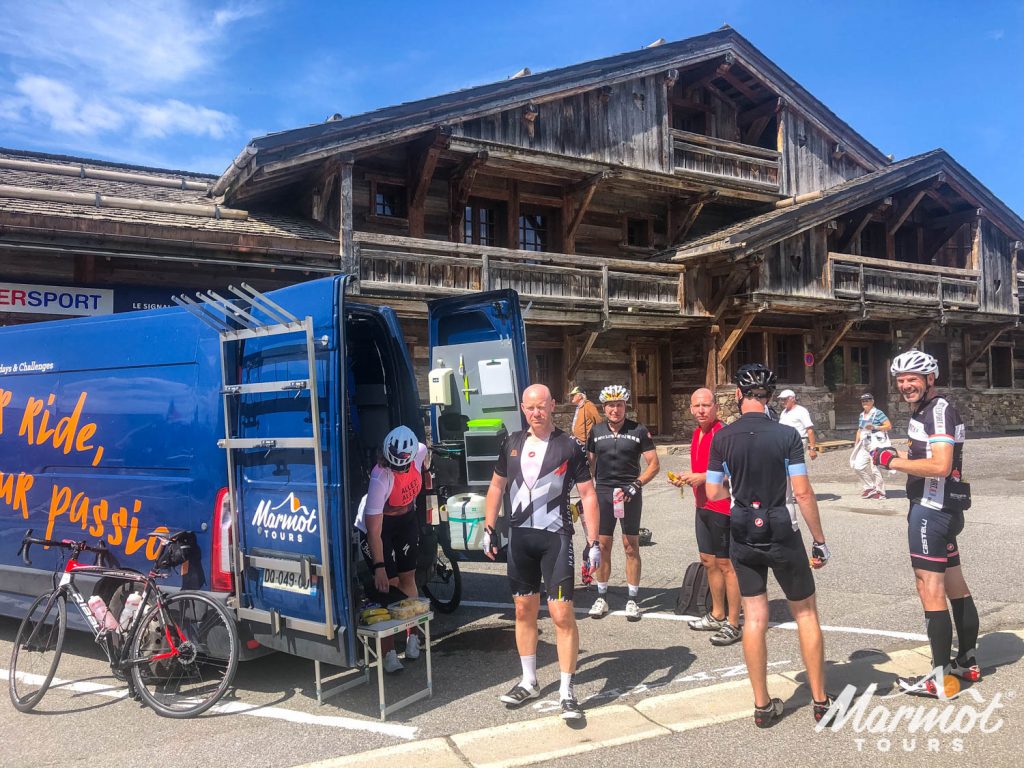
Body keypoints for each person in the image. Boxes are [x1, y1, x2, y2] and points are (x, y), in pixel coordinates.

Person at [704, 363, 833, 728]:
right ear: (770, 397)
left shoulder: (722, 438)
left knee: (755, 617)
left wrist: (738, 495)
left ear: (738, 396)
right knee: (805, 612)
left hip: (743, 528)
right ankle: (821, 701)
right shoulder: (787, 435)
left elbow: (713, 491)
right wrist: (819, 541)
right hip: (781, 527)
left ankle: (762, 705)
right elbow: (803, 492)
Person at [483, 383, 600, 720]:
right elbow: (496, 486)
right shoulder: (512, 443)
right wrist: (489, 527)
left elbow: (588, 495)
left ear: (553, 406)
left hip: (556, 538)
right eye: (530, 408)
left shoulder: (569, 446)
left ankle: (566, 690)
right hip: (520, 540)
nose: (536, 413)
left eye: (542, 406)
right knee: (523, 611)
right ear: (523, 408)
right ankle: (529, 680)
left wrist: (593, 541)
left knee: (562, 615)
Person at [872, 350, 980, 696]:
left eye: (913, 378)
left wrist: (892, 463)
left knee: (928, 588)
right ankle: (966, 662)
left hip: (930, 511)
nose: (905, 385)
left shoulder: (937, 411)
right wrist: (887, 454)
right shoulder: (930, 410)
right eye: (901, 380)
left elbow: (940, 466)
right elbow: (926, 457)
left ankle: (941, 678)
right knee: (955, 585)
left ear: (930, 378)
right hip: (946, 509)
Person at [669, 388, 742, 646]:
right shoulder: (697, 433)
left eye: (706, 405)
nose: (701, 410)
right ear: (690, 409)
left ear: (716, 408)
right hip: (702, 506)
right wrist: (688, 477)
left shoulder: (724, 434)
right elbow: (702, 469)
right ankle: (717, 613)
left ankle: (734, 622)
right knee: (708, 561)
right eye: (697, 406)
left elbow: (735, 472)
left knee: (726, 564)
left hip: (722, 506)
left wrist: (703, 478)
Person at [354, 425, 428, 673]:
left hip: (405, 518)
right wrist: (379, 567)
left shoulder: (419, 452)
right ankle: (387, 652)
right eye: (393, 465)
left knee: (408, 578)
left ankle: (413, 636)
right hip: (378, 525)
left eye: (402, 466)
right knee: (389, 584)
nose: (398, 470)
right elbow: (374, 530)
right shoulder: (380, 477)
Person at [585, 385, 660, 621]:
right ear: (604, 408)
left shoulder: (638, 430)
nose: (615, 409)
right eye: (610, 405)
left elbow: (654, 464)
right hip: (604, 492)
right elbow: (588, 465)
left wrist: (637, 485)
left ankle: (633, 599)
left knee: (630, 547)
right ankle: (602, 596)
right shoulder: (596, 431)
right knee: (603, 546)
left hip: (630, 492)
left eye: (619, 405)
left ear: (625, 406)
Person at [850, 392, 892, 500]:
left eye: (867, 400)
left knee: (875, 469)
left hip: (876, 443)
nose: (865, 402)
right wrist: (856, 443)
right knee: (857, 466)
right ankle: (869, 486)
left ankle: (880, 492)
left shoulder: (878, 413)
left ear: (872, 401)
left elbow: (888, 426)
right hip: (864, 443)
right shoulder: (861, 415)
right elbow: (859, 430)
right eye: (863, 401)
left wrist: (874, 427)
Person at [777, 389, 819, 460]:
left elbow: (809, 429)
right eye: (781, 399)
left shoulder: (801, 411)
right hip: (785, 442)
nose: (782, 402)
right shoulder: (784, 412)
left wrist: (812, 449)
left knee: (796, 464)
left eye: (785, 399)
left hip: (798, 442)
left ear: (793, 399)